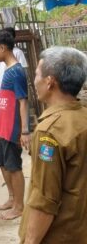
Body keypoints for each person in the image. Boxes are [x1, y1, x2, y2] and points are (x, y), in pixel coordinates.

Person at [19, 46, 87, 243]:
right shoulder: (82, 117)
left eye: (37, 74)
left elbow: (45, 201)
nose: (34, 80)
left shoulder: (49, 131)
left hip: (59, 235)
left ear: (50, 82)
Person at [0, 32, 30, 220]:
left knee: (14, 166)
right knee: (2, 163)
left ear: (2, 48)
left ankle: (19, 207)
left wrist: (24, 131)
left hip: (13, 128)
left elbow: (23, 102)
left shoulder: (17, 72)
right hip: (4, 127)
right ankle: (12, 198)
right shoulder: (6, 70)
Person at [0, 27, 28, 116]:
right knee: (4, 114)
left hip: (10, 90)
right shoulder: (1, 60)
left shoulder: (17, 55)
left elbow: (22, 71)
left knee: (11, 113)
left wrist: (24, 129)